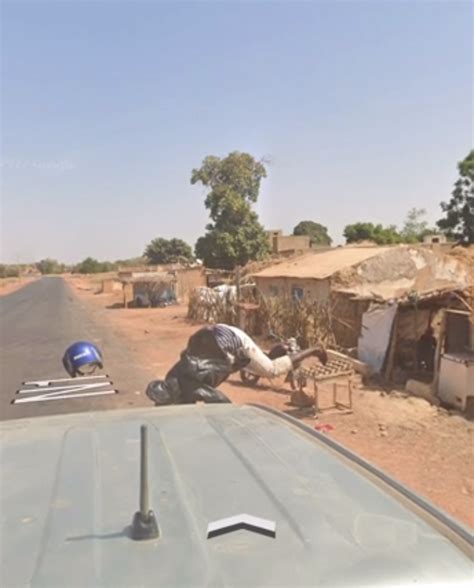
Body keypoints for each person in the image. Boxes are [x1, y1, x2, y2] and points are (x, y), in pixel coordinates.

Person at [146, 323, 327, 405]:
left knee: (271, 370)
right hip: (218, 336)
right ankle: (280, 349)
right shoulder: (174, 376)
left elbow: (221, 401)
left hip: (233, 342)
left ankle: (315, 350)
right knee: (258, 366)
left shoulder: (190, 386)